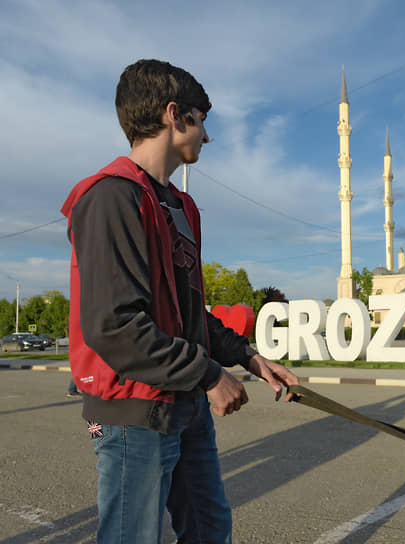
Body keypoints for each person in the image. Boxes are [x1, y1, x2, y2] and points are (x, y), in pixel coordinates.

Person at [60, 59, 300, 543]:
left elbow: (188, 318)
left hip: (185, 406)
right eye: (202, 119)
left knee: (211, 530)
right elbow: (115, 326)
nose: (207, 136)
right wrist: (210, 375)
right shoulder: (112, 197)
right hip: (136, 414)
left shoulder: (180, 205)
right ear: (175, 114)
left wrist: (250, 358)